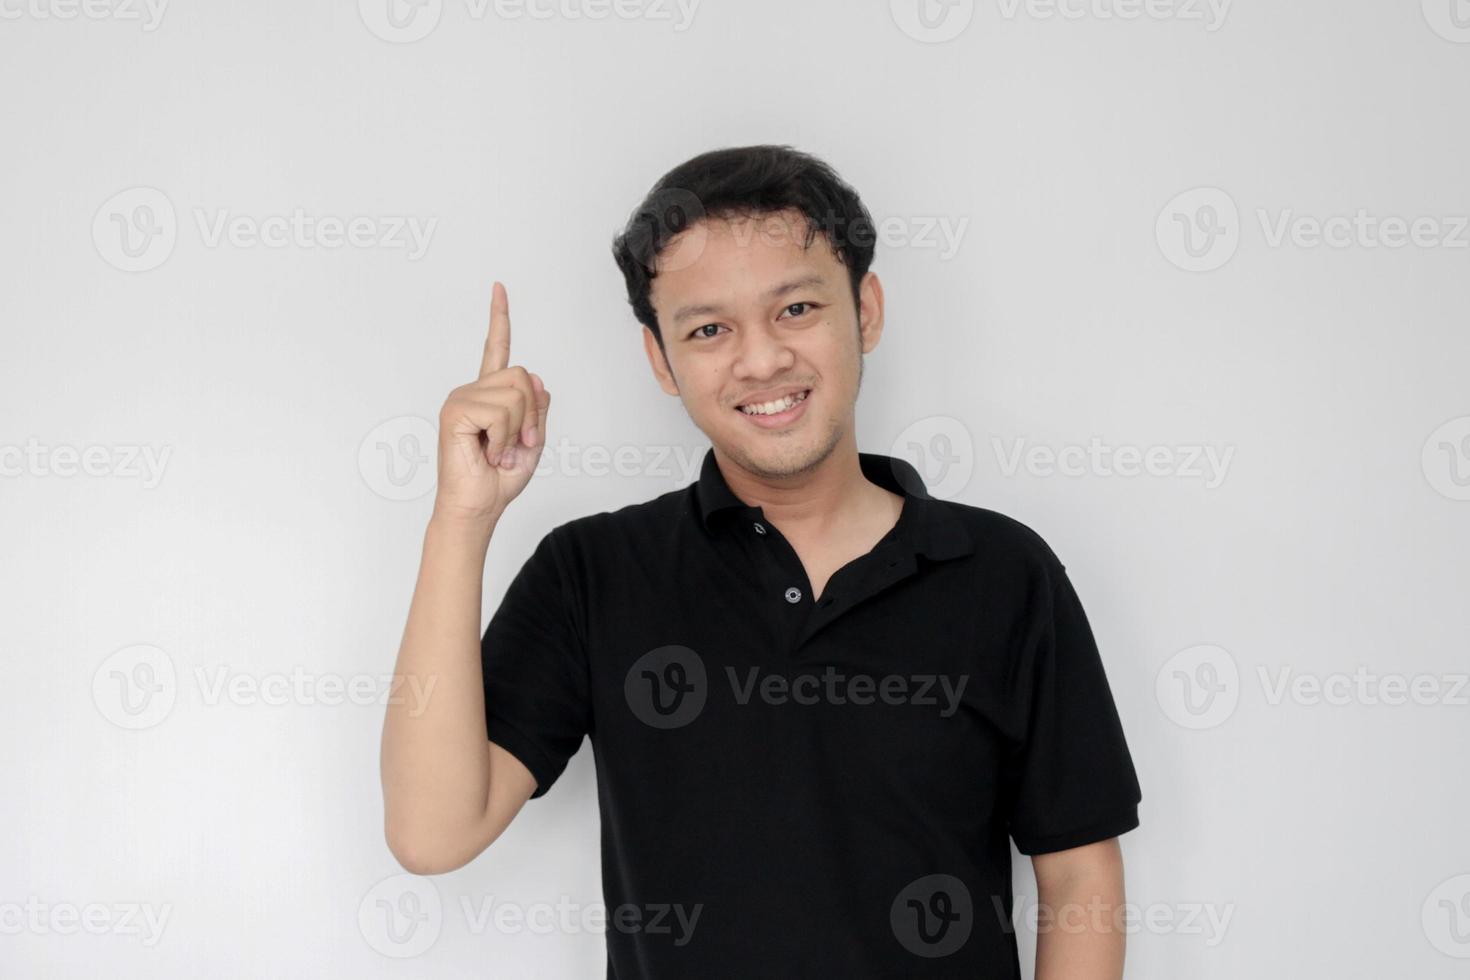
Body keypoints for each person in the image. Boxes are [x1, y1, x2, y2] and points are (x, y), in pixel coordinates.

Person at [380, 144, 1143, 979]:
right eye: (709, 329)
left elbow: (1078, 874)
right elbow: (432, 833)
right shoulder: (593, 573)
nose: (761, 360)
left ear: (867, 310)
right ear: (661, 362)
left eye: (796, 309)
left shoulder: (1001, 572)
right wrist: (462, 519)